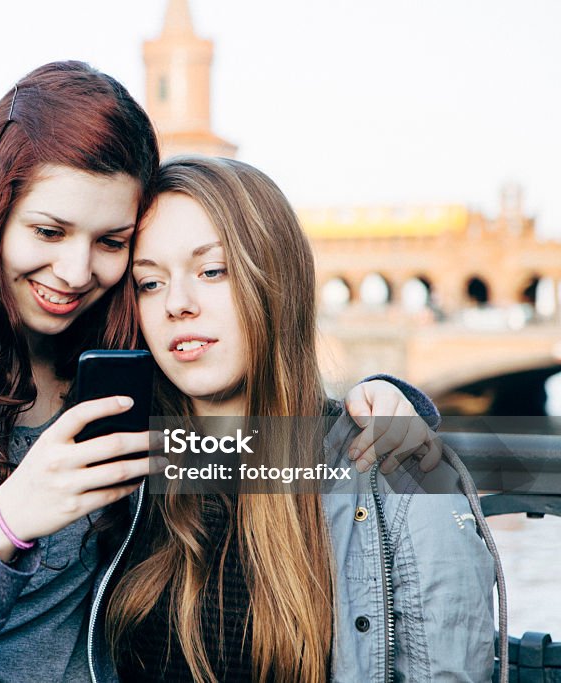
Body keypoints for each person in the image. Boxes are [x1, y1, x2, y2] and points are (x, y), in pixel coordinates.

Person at [0, 62, 444, 683]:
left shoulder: (119, 358)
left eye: (112, 242)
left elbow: (263, 439)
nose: (75, 272)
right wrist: (6, 522)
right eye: (49, 231)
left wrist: (395, 405)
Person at [100, 156, 502, 682]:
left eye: (212, 271)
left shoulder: (401, 482)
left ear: (276, 281)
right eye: (149, 283)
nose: (177, 303)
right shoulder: (119, 471)